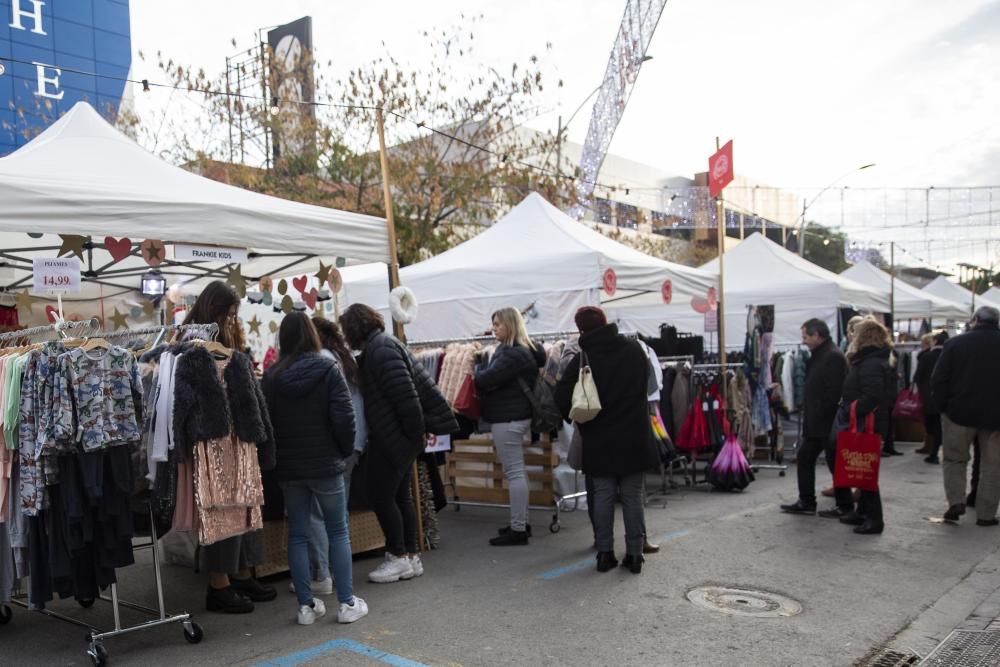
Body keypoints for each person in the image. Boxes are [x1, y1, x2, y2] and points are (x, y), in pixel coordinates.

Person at [262, 313, 368, 625]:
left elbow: (268, 426)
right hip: (326, 465)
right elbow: (345, 417)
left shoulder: (270, 377)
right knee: (338, 530)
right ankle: (347, 603)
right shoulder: (328, 369)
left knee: (297, 533)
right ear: (312, 335)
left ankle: (306, 607)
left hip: (290, 468)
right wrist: (342, 450)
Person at [182, 281, 276, 613]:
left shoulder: (223, 343)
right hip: (214, 443)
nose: (233, 321)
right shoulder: (190, 347)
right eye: (230, 315)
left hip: (237, 439)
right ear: (215, 312)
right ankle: (219, 584)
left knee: (245, 503)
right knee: (221, 508)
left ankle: (239, 573)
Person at [554, 306, 657, 574]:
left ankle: (604, 553)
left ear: (581, 330)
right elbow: (650, 387)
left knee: (602, 494)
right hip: (635, 434)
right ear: (606, 322)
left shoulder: (583, 358)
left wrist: (577, 416)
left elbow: (561, 398)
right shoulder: (635, 349)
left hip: (599, 436)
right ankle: (635, 555)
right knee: (633, 495)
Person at [339, 304, 425, 582]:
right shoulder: (383, 345)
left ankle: (398, 556)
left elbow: (406, 398)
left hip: (393, 437)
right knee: (400, 496)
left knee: (382, 495)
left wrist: (411, 435)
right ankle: (409, 556)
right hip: (399, 436)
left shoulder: (380, 349)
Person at [285, 318, 368, 598]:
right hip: (346, 448)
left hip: (323, 453)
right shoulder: (341, 359)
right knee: (337, 522)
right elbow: (346, 412)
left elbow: (338, 414)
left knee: (313, 521)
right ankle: (343, 593)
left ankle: (321, 577)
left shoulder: (310, 364)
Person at [473, 307, 546, 546]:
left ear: (510, 325)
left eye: (498, 324)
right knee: (517, 472)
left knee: (514, 473)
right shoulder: (519, 350)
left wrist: (477, 366)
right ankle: (520, 523)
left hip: (509, 418)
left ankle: (519, 529)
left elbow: (485, 379)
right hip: (513, 416)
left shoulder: (513, 353)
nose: (494, 328)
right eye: (493, 324)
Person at [931, 306, 1000, 527]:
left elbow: (939, 378)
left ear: (975, 320)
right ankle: (986, 514)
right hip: (995, 416)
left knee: (954, 459)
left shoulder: (956, 343)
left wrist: (943, 406)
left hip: (958, 413)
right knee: (993, 466)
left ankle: (956, 501)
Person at [831, 318, 895, 535]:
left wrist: (851, 409)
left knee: (865, 470)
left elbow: (872, 396)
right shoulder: (872, 360)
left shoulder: (870, 363)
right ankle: (864, 512)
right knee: (863, 469)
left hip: (866, 423)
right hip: (865, 421)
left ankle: (875, 518)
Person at [780, 318, 848, 515]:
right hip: (818, 422)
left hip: (826, 423)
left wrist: (823, 416)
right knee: (807, 457)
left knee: (833, 462)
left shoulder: (832, 356)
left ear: (817, 335)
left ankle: (843, 505)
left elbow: (834, 393)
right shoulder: (821, 354)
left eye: (806, 337)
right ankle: (808, 501)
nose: (803, 341)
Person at [913, 331, 948, 464]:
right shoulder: (948, 355)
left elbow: (918, 376)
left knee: (930, 423)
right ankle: (934, 452)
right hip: (945, 397)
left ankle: (932, 451)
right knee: (939, 425)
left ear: (934, 341)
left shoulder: (927, 356)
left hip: (928, 396)